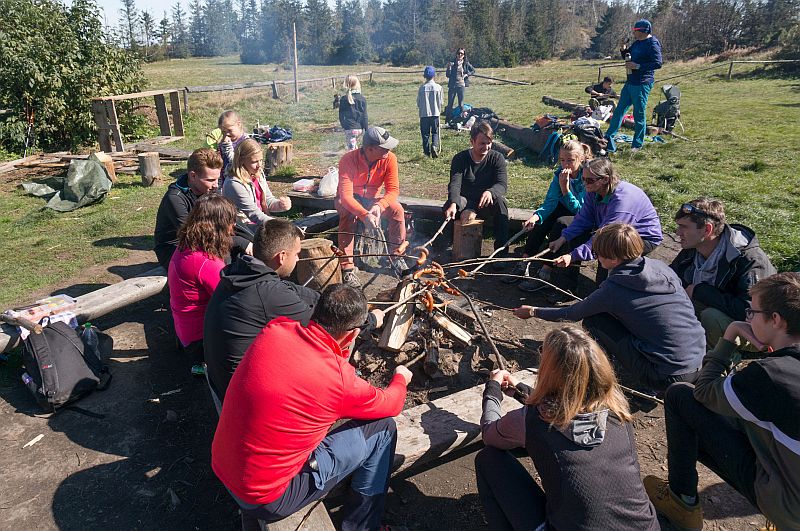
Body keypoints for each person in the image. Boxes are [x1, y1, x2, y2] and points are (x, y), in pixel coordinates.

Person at [211, 284, 412, 530]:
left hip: (223, 466)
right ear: (351, 335)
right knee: (384, 429)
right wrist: (400, 377)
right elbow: (392, 403)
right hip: (267, 499)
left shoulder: (275, 330)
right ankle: (363, 526)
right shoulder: (338, 379)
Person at [644, 272, 800, 531]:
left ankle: (683, 504)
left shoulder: (770, 374)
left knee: (680, 396)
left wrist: (730, 335)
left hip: (790, 507)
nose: (748, 317)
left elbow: (703, 391)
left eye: (752, 312)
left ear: (775, 320)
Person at [475, 325, 659, 531]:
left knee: (488, 458)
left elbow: (490, 434)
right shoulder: (619, 414)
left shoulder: (532, 420)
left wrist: (492, 390)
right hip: (644, 526)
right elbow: (572, 405)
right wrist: (522, 390)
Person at [515, 223, 705, 394]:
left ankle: (618, 378)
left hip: (666, 377)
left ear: (613, 259)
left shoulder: (614, 288)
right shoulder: (660, 268)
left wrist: (533, 311)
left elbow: (572, 313)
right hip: (698, 358)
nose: (597, 259)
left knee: (595, 321)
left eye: (597, 255)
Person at [203, 219, 320, 401]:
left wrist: (320, 296)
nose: (298, 259)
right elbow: (324, 320)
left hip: (220, 380)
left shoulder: (239, 270)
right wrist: (368, 318)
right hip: (242, 398)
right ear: (281, 256)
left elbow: (291, 289)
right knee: (316, 347)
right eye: (296, 254)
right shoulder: (268, 294)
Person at [670, 197, 776, 347]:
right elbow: (671, 278)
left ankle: (720, 363)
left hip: (759, 333)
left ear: (707, 230)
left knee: (711, 317)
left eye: (684, 227)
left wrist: (701, 291)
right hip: (718, 313)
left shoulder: (748, 260)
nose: (677, 232)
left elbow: (748, 311)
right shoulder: (693, 247)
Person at [548, 157, 662, 287]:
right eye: (583, 179)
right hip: (607, 227)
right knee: (574, 233)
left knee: (608, 251)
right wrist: (563, 238)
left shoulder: (622, 201)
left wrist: (573, 256)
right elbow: (583, 218)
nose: (585, 183)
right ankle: (568, 286)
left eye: (589, 180)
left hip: (642, 237)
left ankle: (602, 291)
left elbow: (606, 236)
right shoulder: (593, 190)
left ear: (605, 179)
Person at [509, 140, 591, 291]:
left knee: (560, 225)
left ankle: (546, 270)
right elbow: (550, 202)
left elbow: (581, 210)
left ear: (581, 159)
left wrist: (565, 190)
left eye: (570, 160)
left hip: (583, 215)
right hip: (565, 206)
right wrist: (536, 217)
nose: (565, 164)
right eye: (562, 160)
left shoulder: (587, 176)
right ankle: (525, 261)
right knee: (542, 220)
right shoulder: (559, 174)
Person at [154, 148, 251, 270]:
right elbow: (194, 236)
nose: (216, 184)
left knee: (247, 244)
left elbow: (231, 220)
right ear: (193, 176)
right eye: (210, 180)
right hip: (176, 250)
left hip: (207, 238)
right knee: (226, 253)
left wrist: (253, 240)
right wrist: (239, 241)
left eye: (217, 179)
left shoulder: (208, 189)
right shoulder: (175, 199)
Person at [335, 126, 407, 288]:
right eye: (385, 147)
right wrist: (364, 214)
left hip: (373, 200)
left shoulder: (390, 159)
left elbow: (393, 190)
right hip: (350, 199)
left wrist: (379, 206)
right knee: (347, 213)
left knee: (397, 210)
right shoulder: (348, 160)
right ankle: (347, 267)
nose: (389, 150)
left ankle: (396, 257)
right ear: (370, 149)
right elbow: (345, 197)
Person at [168, 194, 237, 358]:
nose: (233, 227)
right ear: (218, 226)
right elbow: (233, 300)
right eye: (230, 222)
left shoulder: (186, 247)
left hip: (186, 332)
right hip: (200, 341)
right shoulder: (205, 263)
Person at [443, 121, 509, 253]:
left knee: (501, 204)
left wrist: (491, 192)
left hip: (485, 202)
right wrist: (454, 203)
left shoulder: (497, 158)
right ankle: (446, 245)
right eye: (482, 143)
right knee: (450, 205)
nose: (486, 147)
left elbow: (502, 184)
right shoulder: (460, 159)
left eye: (489, 143)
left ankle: (501, 251)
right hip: (465, 201)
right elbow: (455, 183)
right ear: (472, 142)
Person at [603, 20, 663, 153]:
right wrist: (623, 48)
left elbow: (658, 63)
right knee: (619, 111)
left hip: (642, 83)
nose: (633, 32)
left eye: (635, 30)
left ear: (642, 30)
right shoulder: (637, 43)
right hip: (630, 82)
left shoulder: (652, 43)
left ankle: (637, 144)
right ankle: (608, 137)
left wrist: (638, 66)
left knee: (638, 113)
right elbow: (627, 56)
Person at [222, 138, 291, 224]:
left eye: (261, 160)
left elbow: (268, 201)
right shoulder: (234, 183)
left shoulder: (258, 173)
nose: (259, 165)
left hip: (259, 222)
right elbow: (254, 215)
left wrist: (280, 205)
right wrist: (280, 225)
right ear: (241, 161)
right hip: (244, 226)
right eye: (254, 161)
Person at [417, 65, 444, 158]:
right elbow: (441, 102)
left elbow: (418, 103)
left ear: (424, 76)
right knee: (435, 132)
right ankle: (434, 145)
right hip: (435, 114)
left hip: (424, 114)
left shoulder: (421, 88)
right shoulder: (439, 87)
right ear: (434, 75)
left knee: (425, 134)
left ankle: (426, 153)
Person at [444, 48, 475, 125]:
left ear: (464, 55)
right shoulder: (452, 63)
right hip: (452, 86)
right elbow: (448, 75)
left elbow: (473, 70)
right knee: (450, 104)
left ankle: (462, 120)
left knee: (461, 104)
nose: (460, 55)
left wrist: (467, 74)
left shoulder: (466, 63)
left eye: (462, 54)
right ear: (456, 54)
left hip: (461, 85)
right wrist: (448, 68)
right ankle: (447, 121)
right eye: (459, 53)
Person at [339, 74, 369, 151]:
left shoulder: (344, 99)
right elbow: (364, 116)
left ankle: (355, 161)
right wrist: (366, 129)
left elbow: (341, 115)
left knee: (351, 150)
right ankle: (358, 160)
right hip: (359, 129)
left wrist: (343, 126)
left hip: (349, 128)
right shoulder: (362, 99)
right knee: (355, 147)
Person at [217, 110, 249, 180]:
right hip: (226, 181)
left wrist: (227, 147)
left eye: (229, 130)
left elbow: (236, 163)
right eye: (223, 132)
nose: (226, 134)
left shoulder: (246, 143)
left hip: (241, 180)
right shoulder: (224, 143)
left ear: (238, 124)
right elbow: (220, 165)